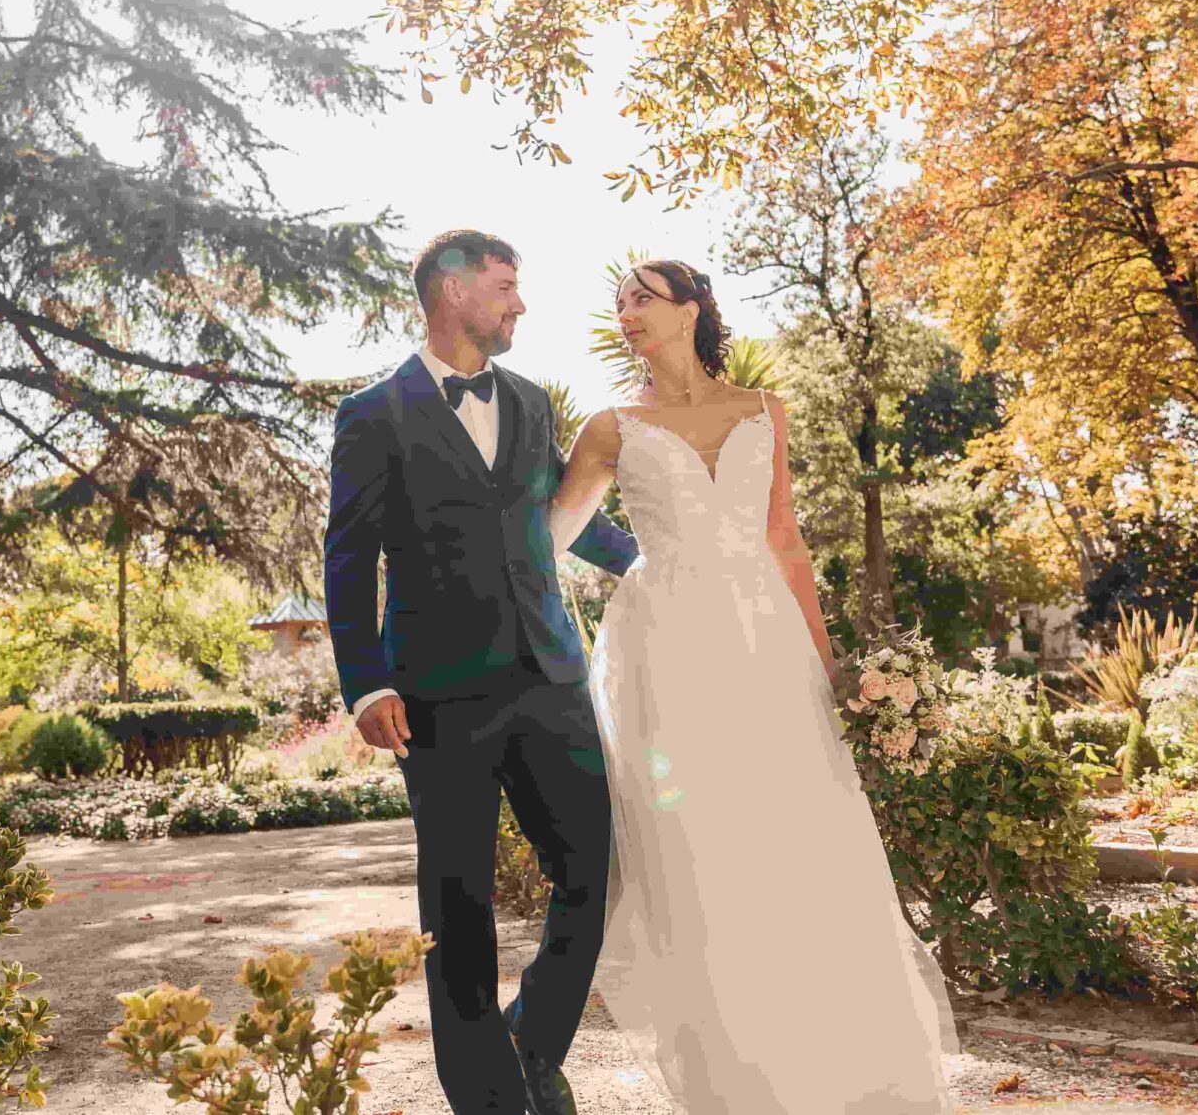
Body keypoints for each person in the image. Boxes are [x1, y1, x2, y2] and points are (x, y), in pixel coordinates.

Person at [548, 258, 960, 1113]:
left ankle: (842, 1065)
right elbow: (547, 541)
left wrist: (831, 666)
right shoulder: (610, 428)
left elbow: (788, 542)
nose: (626, 312)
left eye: (642, 298)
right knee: (701, 850)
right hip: (664, 647)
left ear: (692, 309)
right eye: (619, 300)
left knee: (798, 838)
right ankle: (735, 1084)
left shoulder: (763, 411)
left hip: (765, 641)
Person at [324, 229, 637, 1115]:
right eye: (505, 286)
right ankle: (487, 1097)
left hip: (550, 676)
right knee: (456, 900)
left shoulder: (534, 404)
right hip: (437, 693)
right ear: (453, 291)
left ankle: (533, 1042)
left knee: (595, 868)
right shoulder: (374, 414)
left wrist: (663, 559)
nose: (519, 303)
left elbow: (560, 519)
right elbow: (348, 558)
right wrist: (366, 681)